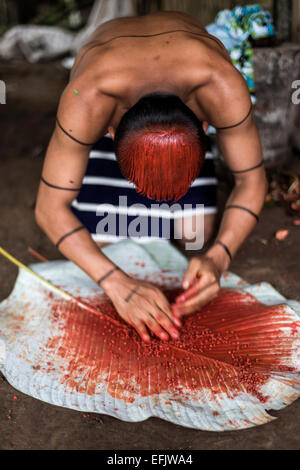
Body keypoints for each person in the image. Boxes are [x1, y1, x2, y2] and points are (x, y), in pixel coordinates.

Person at [35, 11, 267, 343]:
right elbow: (49, 208)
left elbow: (252, 181)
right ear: (111, 134)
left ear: (204, 127)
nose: (162, 199)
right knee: (106, 244)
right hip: (108, 88)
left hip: (186, 90)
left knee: (195, 237)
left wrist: (218, 258)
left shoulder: (222, 87)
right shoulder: (87, 100)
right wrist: (116, 282)